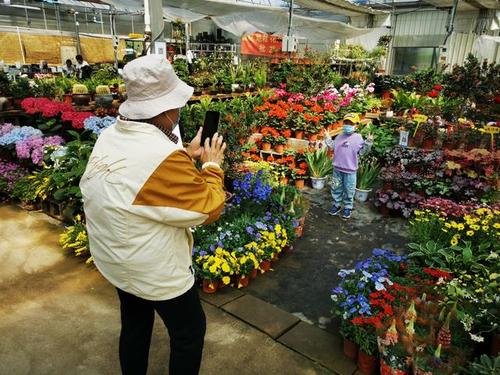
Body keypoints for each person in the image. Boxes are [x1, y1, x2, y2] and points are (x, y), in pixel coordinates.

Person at [79, 54, 226, 375]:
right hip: (153, 269)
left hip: (116, 259)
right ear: (164, 109)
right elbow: (208, 208)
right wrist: (211, 166)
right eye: (177, 104)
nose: (179, 110)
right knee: (189, 332)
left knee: (134, 323)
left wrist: (184, 156)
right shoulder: (161, 158)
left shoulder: (110, 136)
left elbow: (139, 177)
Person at [325, 113, 374, 219]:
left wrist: (368, 142)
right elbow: (333, 147)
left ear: (356, 125)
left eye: (350, 123)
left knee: (349, 189)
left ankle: (348, 206)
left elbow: (363, 152)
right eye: (346, 123)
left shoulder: (358, 138)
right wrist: (328, 138)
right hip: (337, 169)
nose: (347, 125)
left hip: (350, 171)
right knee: (336, 187)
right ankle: (336, 205)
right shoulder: (339, 137)